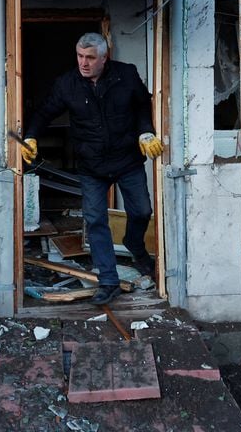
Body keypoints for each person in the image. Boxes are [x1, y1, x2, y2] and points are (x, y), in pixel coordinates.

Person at [21, 32, 164, 305]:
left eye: (90, 57)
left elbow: (142, 104)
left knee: (142, 211)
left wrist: (146, 131)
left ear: (104, 57)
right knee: (96, 219)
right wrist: (31, 136)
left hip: (126, 160)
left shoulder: (126, 75)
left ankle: (135, 244)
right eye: (79, 56)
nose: (83, 63)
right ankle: (108, 280)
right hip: (91, 165)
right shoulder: (67, 84)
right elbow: (44, 112)